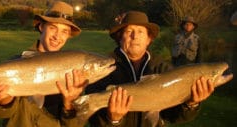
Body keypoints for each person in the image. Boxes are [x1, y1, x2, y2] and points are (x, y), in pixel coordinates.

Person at [86, 11, 215, 127]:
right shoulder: (101, 68)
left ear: (148, 39)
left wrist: (191, 104)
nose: (135, 36)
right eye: (129, 31)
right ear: (120, 37)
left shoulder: (162, 67)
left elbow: (173, 116)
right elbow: (94, 120)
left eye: (141, 32)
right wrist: (113, 120)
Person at [0, 1, 86, 127]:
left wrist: (69, 105)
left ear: (68, 35)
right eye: (53, 28)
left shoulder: (74, 73)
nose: (57, 36)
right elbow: (2, 114)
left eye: (64, 32)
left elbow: (74, 124)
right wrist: (4, 100)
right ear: (41, 27)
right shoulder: (15, 64)